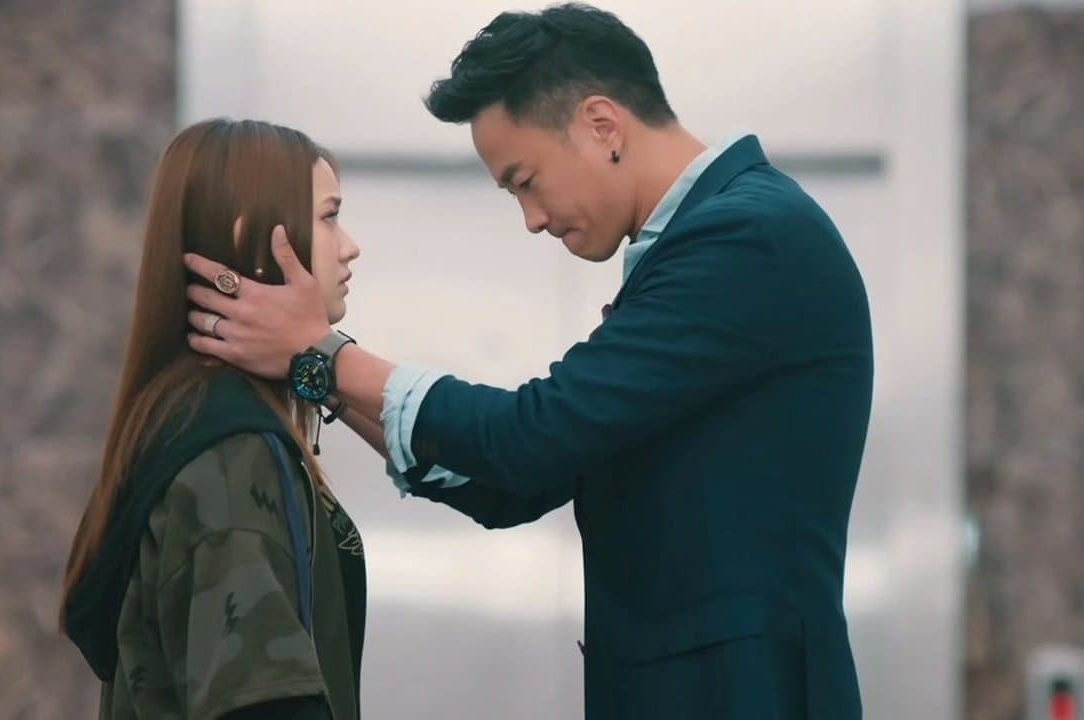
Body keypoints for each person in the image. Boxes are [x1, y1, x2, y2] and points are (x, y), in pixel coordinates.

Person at [184, 3, 873, 718]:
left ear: (602, 126)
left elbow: (530, 435)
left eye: (525, 180)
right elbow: (517, 483)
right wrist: (316, 372)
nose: (533, 218)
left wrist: (323, 352)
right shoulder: (707, 243)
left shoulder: (745, 239)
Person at [59, 119, 367, 720]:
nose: (350, 245)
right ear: (252, 242)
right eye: (330, 217)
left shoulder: (188, 417)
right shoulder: (231, 451)